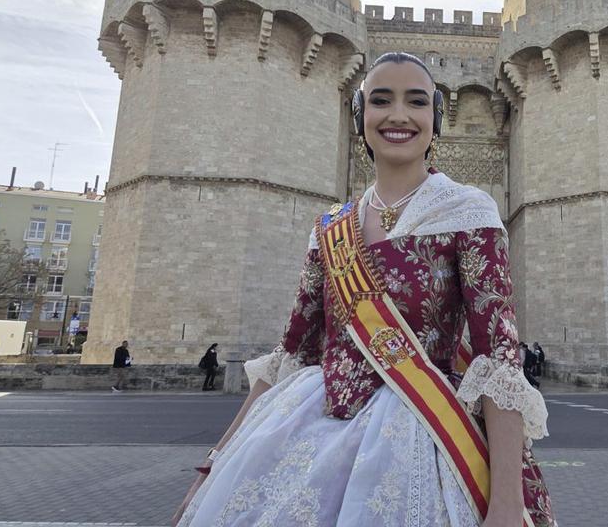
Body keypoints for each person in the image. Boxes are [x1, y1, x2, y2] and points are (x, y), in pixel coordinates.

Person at [172, 52, 555, 526]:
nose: (398, 115)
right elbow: (292, 353)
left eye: (415, 102)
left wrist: (504, 504)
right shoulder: (330, 227)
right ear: (360, 116)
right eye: (381, 100)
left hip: (424, 433)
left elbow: (498, 360)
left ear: (435, 118)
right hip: (311, 422)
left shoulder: (468, 212)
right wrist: (217, 462)